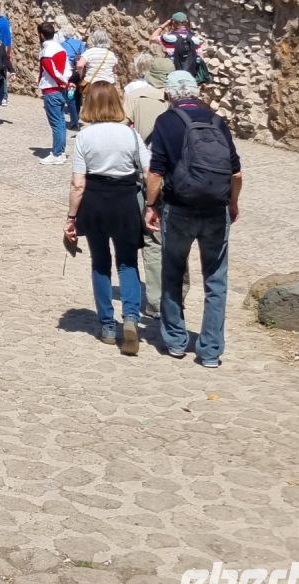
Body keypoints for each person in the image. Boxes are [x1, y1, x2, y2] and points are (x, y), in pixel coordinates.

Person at [144, 70, 242, 369]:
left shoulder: (166, 121)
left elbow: (156, 172)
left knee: (173, 273)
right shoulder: (217, 120)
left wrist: (150, 205)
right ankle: (210, 351)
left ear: (169, 94)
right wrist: (233, 203)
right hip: (216, 209)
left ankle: (176, 340)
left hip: (179, 208)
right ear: (197, 92)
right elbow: (236, 173)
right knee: (216, 280)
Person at [63, 82, 149, 354]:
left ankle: (107, 325)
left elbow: (78, 183)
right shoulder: (130, 135)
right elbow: (149, 171)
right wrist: (151, 205)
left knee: (100, 263)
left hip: (95, 201)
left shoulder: (85, 137)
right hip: (125, 200)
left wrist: (71, 217)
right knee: (127, 262)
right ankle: (131, 317)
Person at [122, 53, 172, 317]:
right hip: (173, 177)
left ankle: (155, 300)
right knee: (173, 238)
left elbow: (122, 130)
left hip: (145, 173)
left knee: (151, 238)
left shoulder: (134, 96)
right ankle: (175, 295)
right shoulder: (176, 100)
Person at [37, 19, 71, 165]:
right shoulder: (61, 48)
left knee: (56, 123)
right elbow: (67, 69)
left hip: (51, 89)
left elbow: (51, 71)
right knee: (61, 122)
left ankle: (57, 153)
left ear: (41, 35)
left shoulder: (46, 51)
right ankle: (60, 151)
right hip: (60, 89)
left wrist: (61, 81)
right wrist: (65, 81)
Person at [76, 29, 118, 100]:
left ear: (94, 40)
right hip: (108, 84)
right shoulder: (111, 54)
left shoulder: (89, 52)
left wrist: (81, 74)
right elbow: (115, 70)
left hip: (93, 84)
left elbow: (80, 65)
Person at [61, 26, 86, 129]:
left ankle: (74, 121)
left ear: (64, 34)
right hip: (79, 74)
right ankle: (76, 116)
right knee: (78, 95)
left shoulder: (63, 45)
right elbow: (84, 56)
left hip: (70, 74)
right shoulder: (80, 43)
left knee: (70, 97)